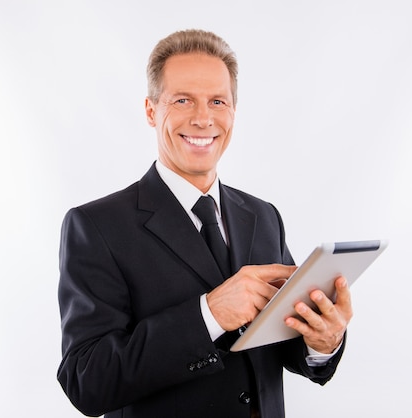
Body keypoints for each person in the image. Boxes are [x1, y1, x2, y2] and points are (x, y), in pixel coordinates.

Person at [57, 29, 352, 418]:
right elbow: (87, 380)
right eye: (183, 100)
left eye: (218, 101)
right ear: (151, 110)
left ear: (233, 110)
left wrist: (322, 341)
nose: (203, 118)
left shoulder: (263, 216)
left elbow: (282, 346)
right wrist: (208, 315)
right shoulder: (96, 226)